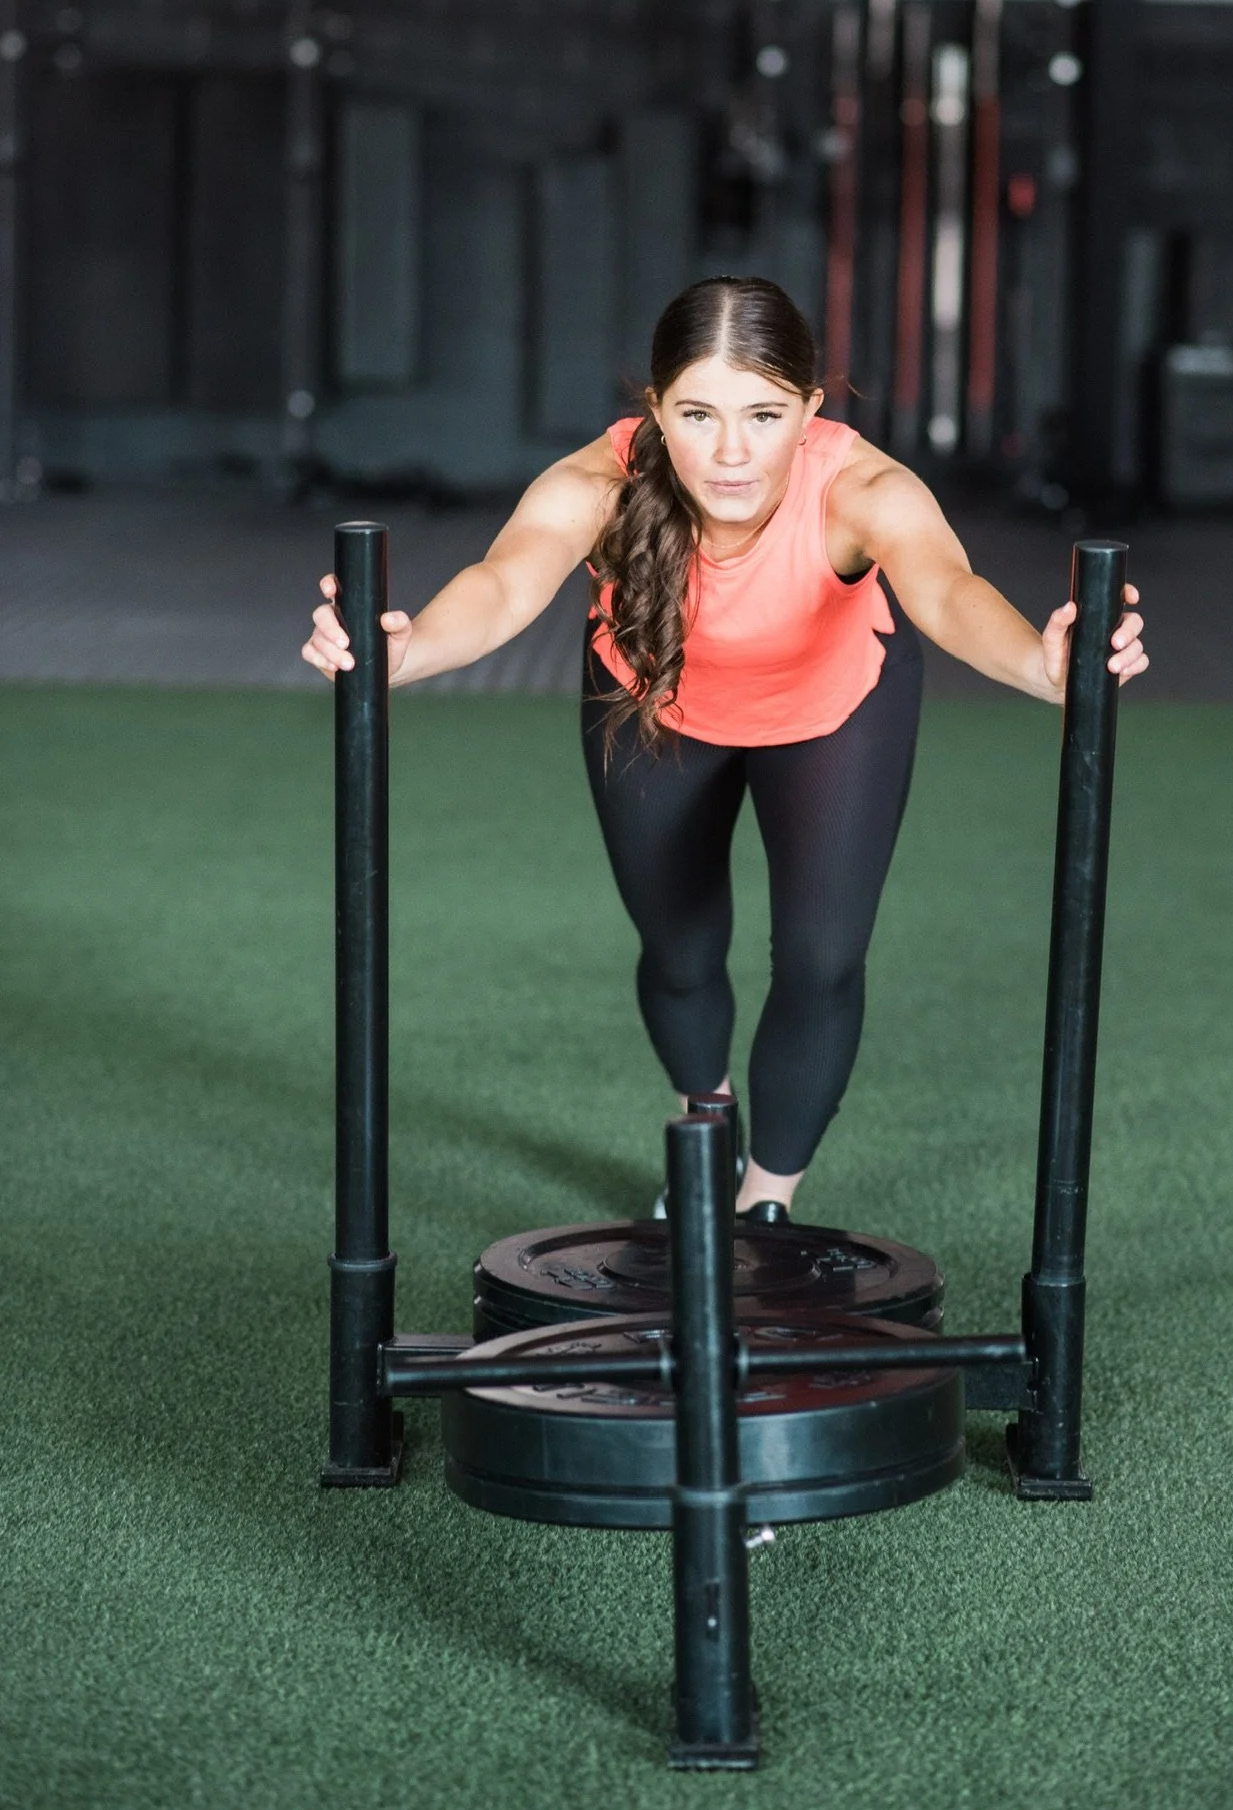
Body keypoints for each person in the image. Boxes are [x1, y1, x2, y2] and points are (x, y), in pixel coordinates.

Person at [302, 275, 1147, 1224]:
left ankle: (764, 1202)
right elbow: (504, 584)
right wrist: (402, 653)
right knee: (679, 951)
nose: (733, 453)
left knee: (823, 959)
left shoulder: (862, 489)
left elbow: (949, 592)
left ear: (811, 411)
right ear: (656, 409)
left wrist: (1046, 665)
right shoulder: (600, 484)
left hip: (835, 710)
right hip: (651, 701)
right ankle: (706, 1119)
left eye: (765, 414)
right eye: (699, 414)